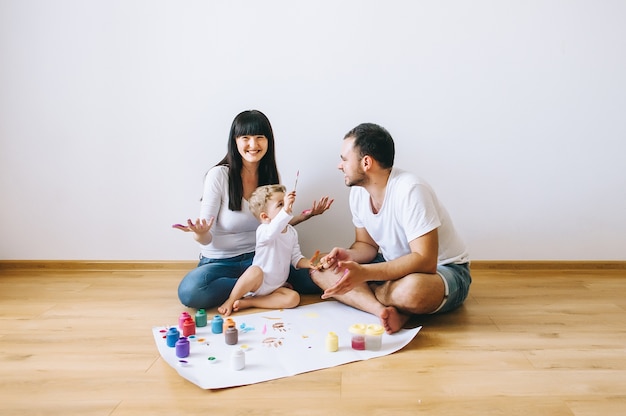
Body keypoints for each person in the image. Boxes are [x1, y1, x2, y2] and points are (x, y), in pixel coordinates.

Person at [311, 123, 471, 334]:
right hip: (393, 265)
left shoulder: (411, 190)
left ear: (366, 162)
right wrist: (347, 255)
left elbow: (425, 261)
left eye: (344, 159)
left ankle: (375, 296)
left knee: (412, 291)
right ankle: (381, 310)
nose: (339, 166)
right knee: (318, 267)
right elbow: (366, 245)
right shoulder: (359, 193)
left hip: (443, 270)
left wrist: (365, 274)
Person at [174, 110, 333, 309]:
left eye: (260, 138)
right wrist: (200, 234)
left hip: (262, 257)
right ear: (235, 141)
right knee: (190, 292)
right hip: (221, 264)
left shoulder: (270, 178)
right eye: (245, 138)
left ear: (269, 141)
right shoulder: (218, 176)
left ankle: (254, 294)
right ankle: (266, 287)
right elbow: (206, 238)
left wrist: (305, 216)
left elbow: (273, 226)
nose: (253, 145)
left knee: (317, 277)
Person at [218, 184, 316, 316]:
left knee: (294, 299)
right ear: (265, 217)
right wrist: (286, 211)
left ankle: (251, 302)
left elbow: (296, 258)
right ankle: (231, 300)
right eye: (280, 204)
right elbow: (273, 231)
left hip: (276, 287)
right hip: (259, 282)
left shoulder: (291, 232)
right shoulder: (264, 230)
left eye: (285, 202)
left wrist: (309, 263)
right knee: (254, 271)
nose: (286, 206)